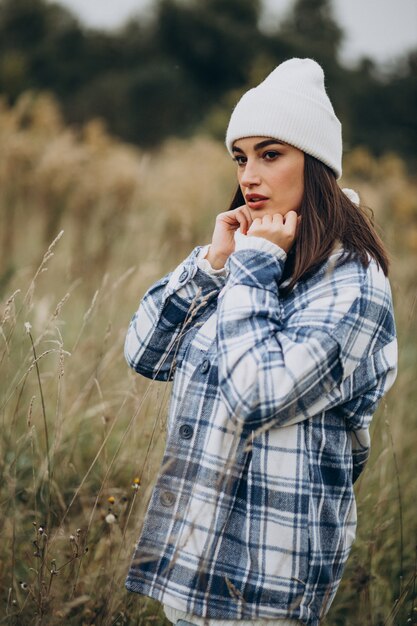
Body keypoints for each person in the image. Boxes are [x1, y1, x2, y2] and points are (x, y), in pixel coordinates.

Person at [124, 58, 398, 626]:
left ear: (316, 165)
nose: (249, 175)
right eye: (241, 158)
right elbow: (146, 354)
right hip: (193, 563)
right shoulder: (249, 259)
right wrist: (214, 264)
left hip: (266, 582)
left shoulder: (353, 283)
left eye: (271, 155)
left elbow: (258, 394)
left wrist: (251, 269)